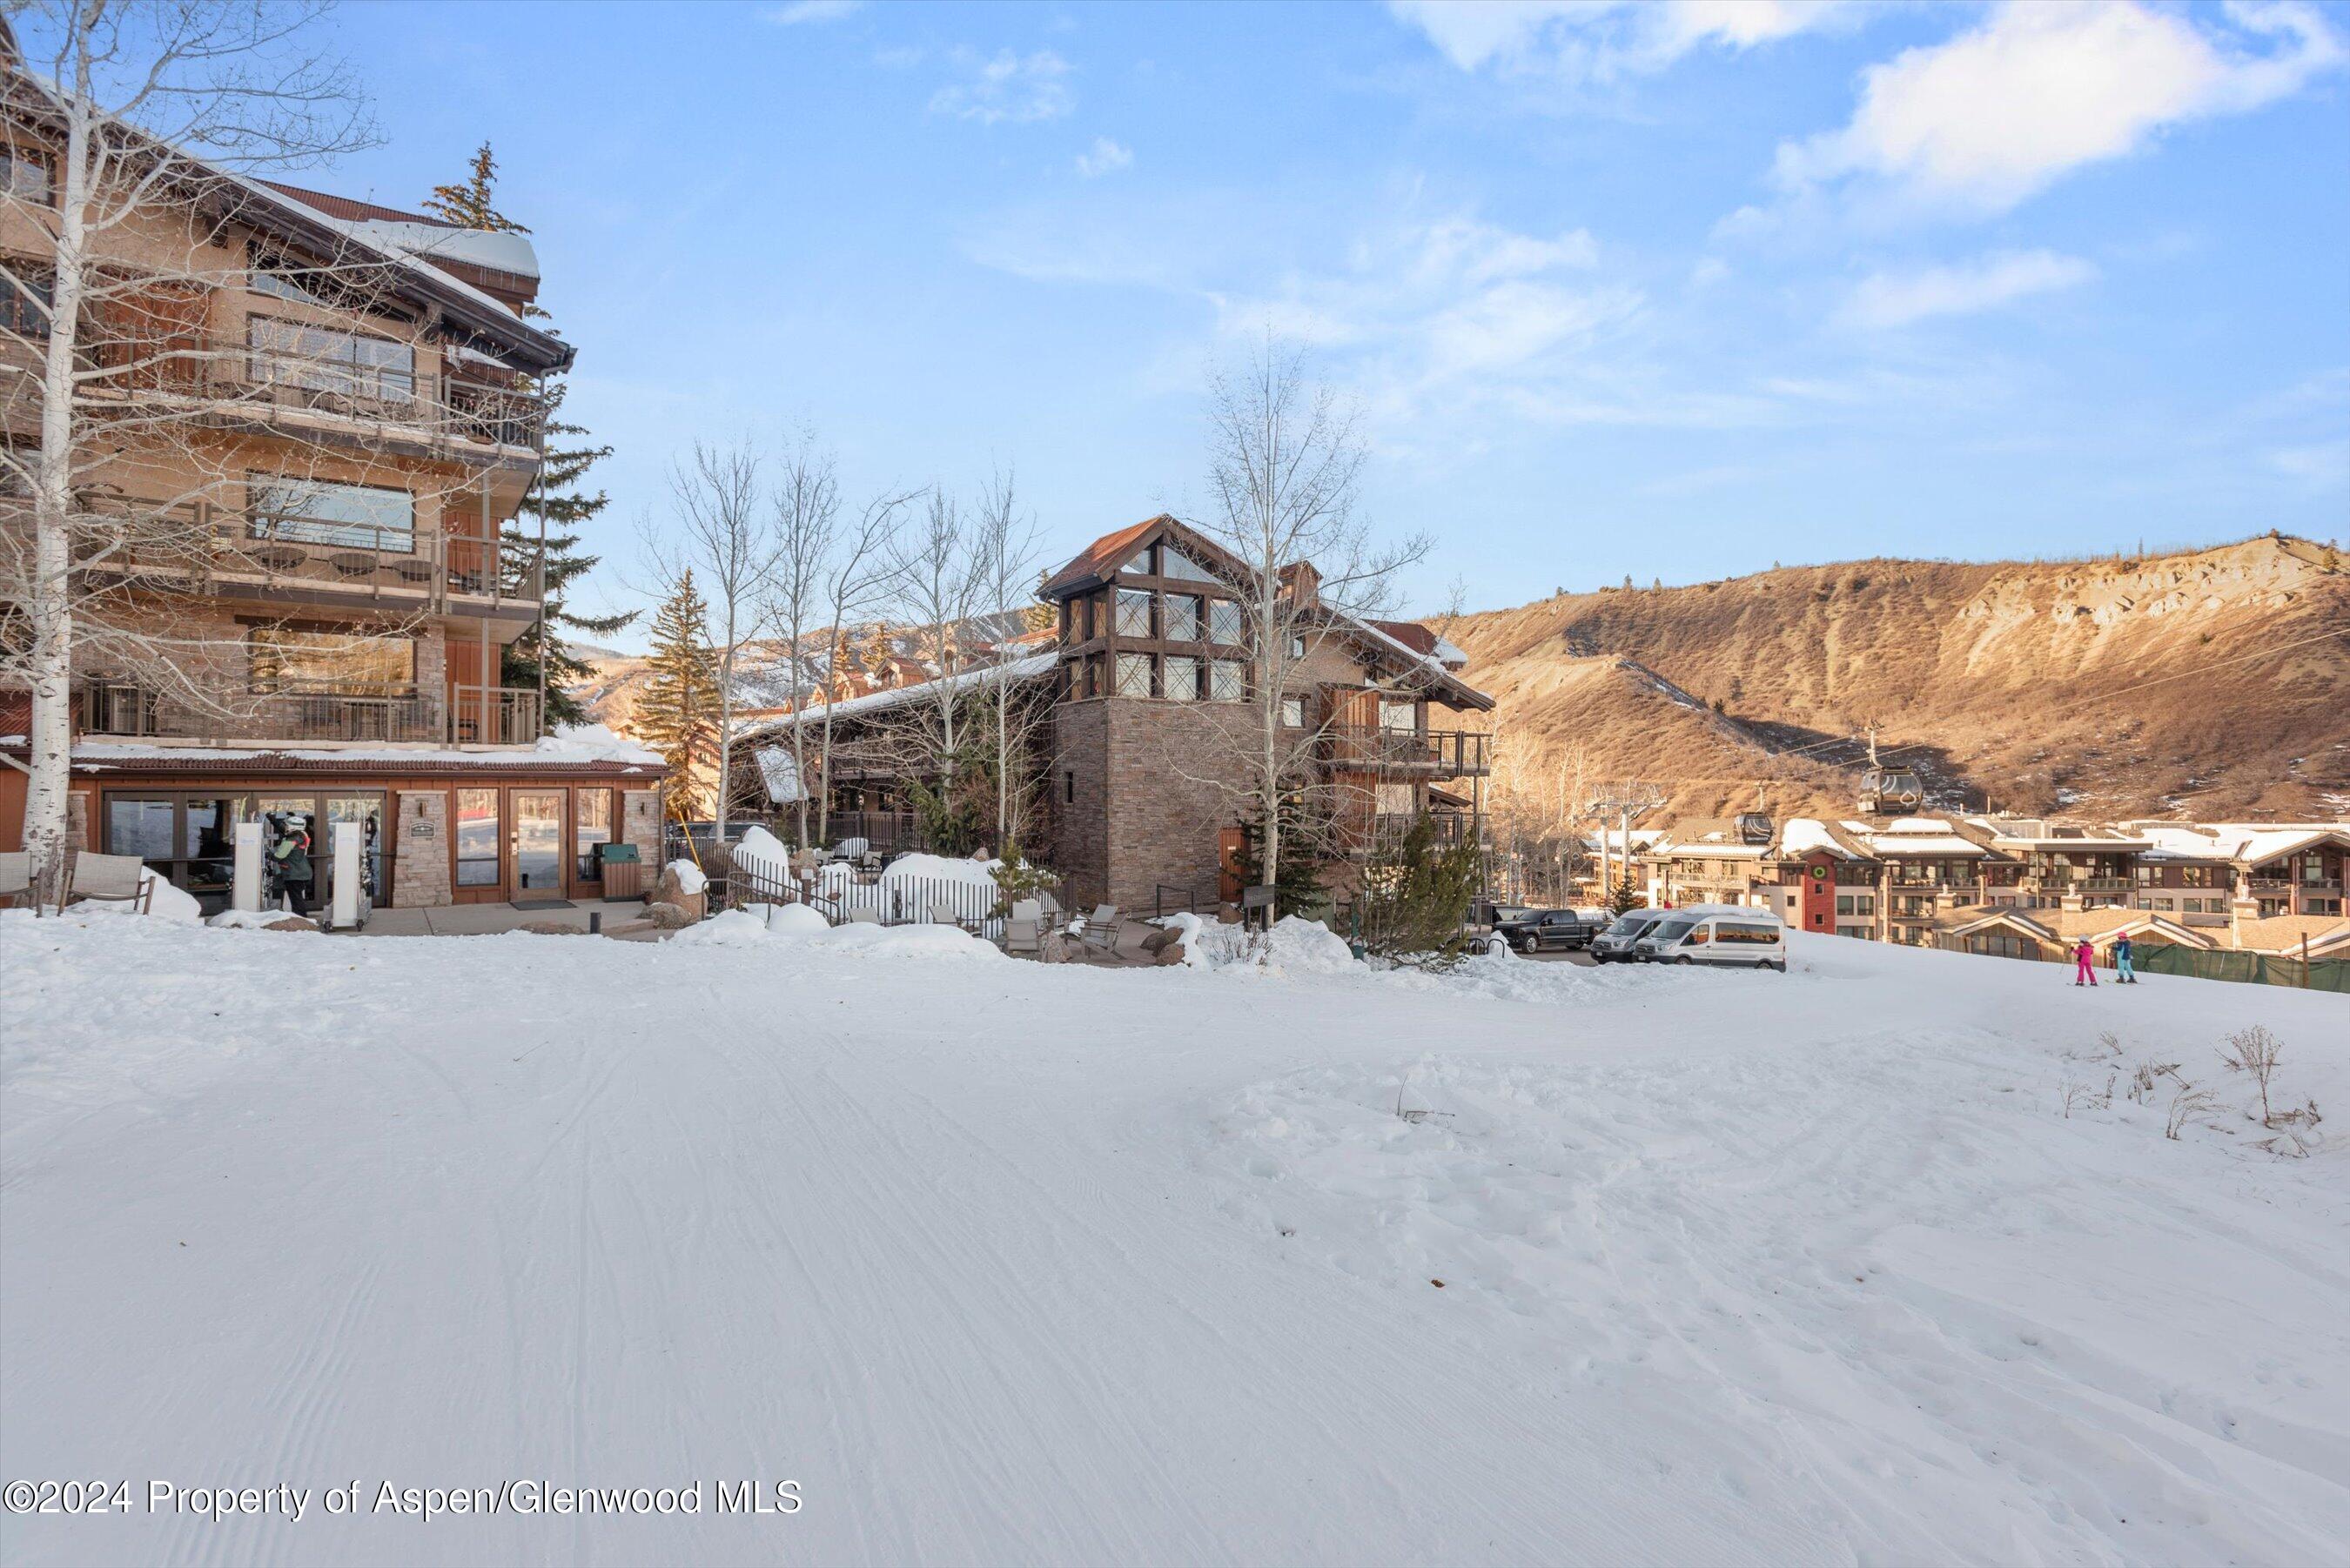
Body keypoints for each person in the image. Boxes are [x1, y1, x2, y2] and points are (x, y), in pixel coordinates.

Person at [272, 814, 314, 917]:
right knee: (297, 897)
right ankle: (301, 919)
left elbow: (279, 856)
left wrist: (269, 855)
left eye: (287, 825)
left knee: (296, 899)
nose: (285, 827)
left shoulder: (291, 840)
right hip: (301, 872)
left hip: (294, 874)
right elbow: (283, 828)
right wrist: (273, 820)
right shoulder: (300, 836)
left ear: (292, 827)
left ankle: (302, 920)